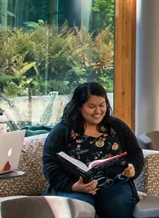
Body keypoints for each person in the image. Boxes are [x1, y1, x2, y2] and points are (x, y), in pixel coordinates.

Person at [43, 83, 147, 218]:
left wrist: (132, 168)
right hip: (74, 187)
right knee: (81, 207)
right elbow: (50, 166)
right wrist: (74, 186)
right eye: (91, 107)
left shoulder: (116, 126)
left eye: (102, 105)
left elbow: (136, 154)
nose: (98, 111)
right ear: (80, 106)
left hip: (112, 184)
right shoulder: (63, 131)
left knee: (120, 205)